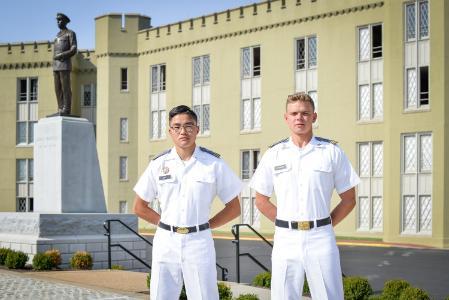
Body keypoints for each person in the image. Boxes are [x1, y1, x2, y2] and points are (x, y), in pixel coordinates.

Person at [249, 92, 360, 299]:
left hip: (321, 237)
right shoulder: (274, 154)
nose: (299, 117)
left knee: (330, 296)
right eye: (294, 113)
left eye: (304, 113)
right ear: (286, 118)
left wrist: (325, 223)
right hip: (286, 239)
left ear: (314, 117)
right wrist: (286, 221)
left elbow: (349, 198)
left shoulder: (331, 152)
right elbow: (261, 200)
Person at [133, 105, 242, 300]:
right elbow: (139, 206)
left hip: (199, 241)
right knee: (161, 296)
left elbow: (234, 208)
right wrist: (165, 223)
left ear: (197, 130)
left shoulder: (214, 164)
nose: (183, 131)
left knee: (204, 296)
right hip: (166, 242)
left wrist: (207, 225)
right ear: (170, 131)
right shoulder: (158, 164)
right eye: (177, 127)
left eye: (188, 126)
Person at [53, 13, 77, 115]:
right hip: (56, 66)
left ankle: (66, 109)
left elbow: (74, 49)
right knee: (57, 88)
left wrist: (62, 55)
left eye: (60, 20)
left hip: (64, 64)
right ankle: (60, 108)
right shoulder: (57, 36)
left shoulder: (70, 33)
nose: (58, 22)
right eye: (57, 20)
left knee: (65, 88)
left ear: (65, 21)